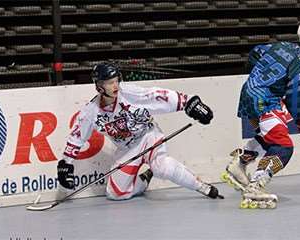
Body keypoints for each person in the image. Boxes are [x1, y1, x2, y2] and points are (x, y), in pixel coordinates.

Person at [57, 61, 221, 201]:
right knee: (115, 193)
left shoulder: (130, 94)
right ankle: (145, 178)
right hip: (127, 149)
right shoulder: (90, 112)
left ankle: (202, 187)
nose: (115, 85)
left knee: (161, 167)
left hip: (148, 136)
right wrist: (66, 164)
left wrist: (189, 102)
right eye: (109, 82)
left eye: (116, 80)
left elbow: (158, 95)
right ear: (99, 86)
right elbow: (76, 137)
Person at [221, 19, 300, 209]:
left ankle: (239, 163)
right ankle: (255, 185)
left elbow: (255, 53)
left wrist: (264, 81)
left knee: (269, 138)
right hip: (265, 100)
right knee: (283, 147)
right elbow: (297, 96)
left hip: (248, 93)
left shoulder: (281, 45)